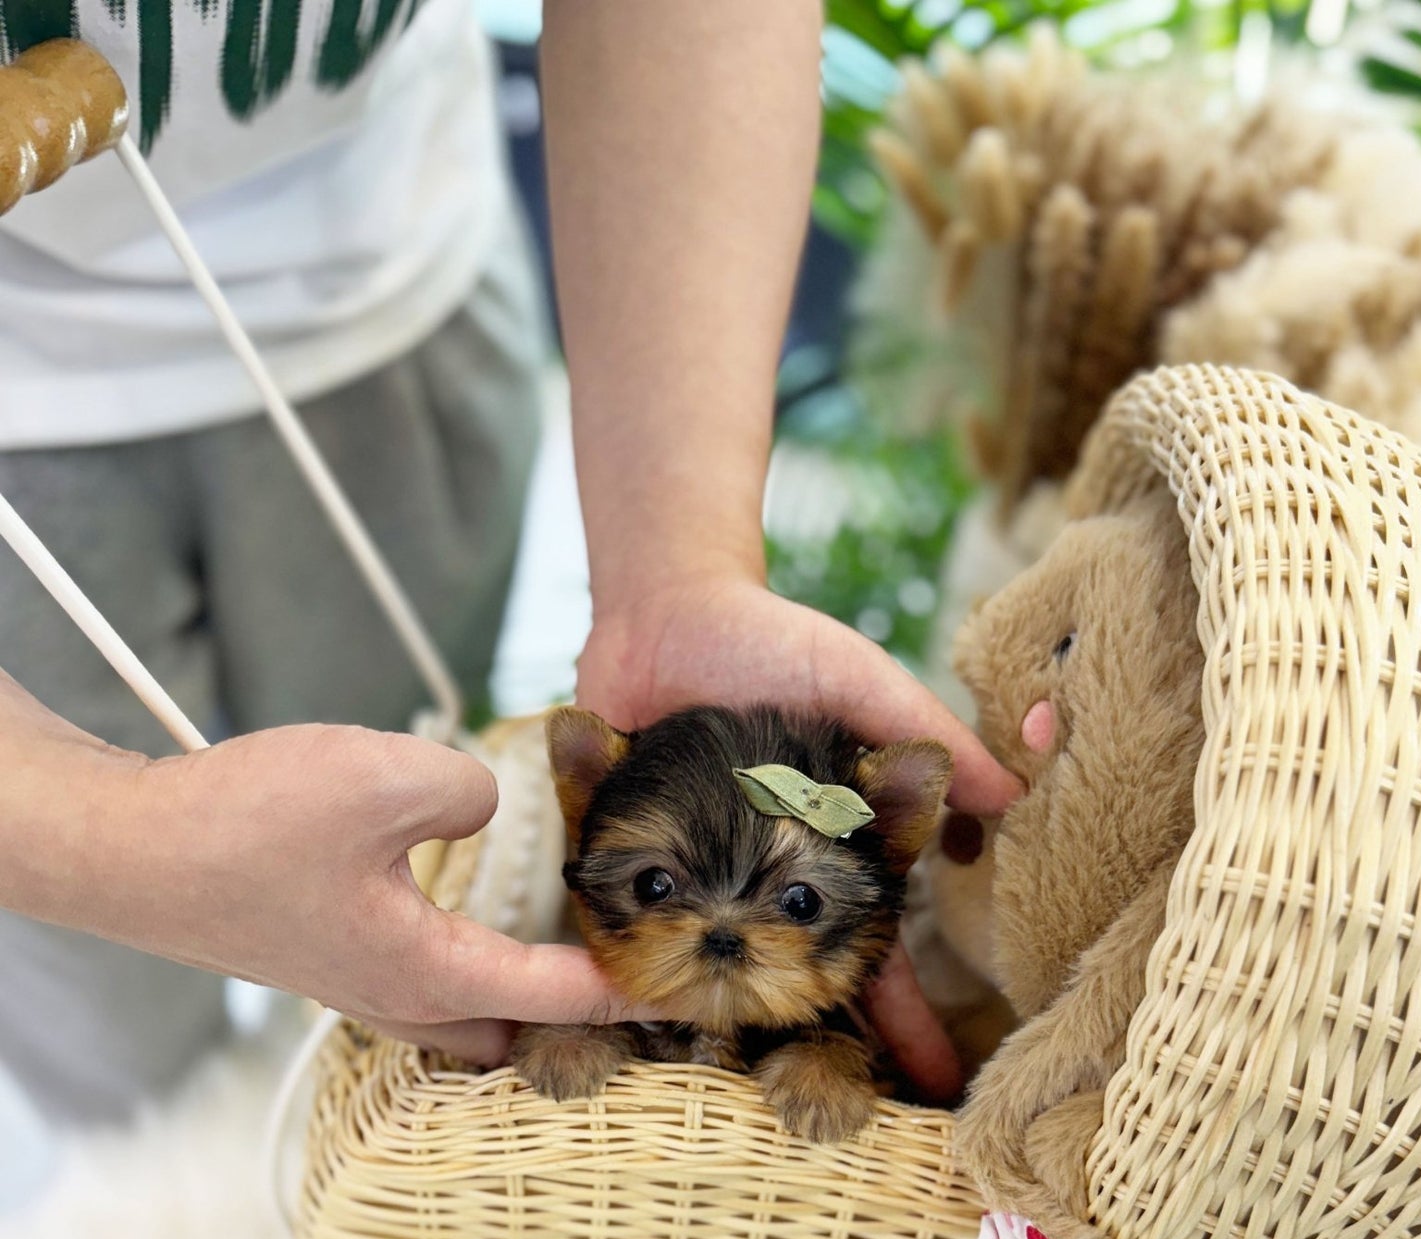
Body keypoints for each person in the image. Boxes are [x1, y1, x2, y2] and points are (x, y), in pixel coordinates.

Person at [0, 0, 1017, 1125]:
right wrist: (102, 841)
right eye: (661, 887)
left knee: (397, 784)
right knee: (111, 1034)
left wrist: (681, 564)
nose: (724, 931)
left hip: (386, 279)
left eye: (783, 895)